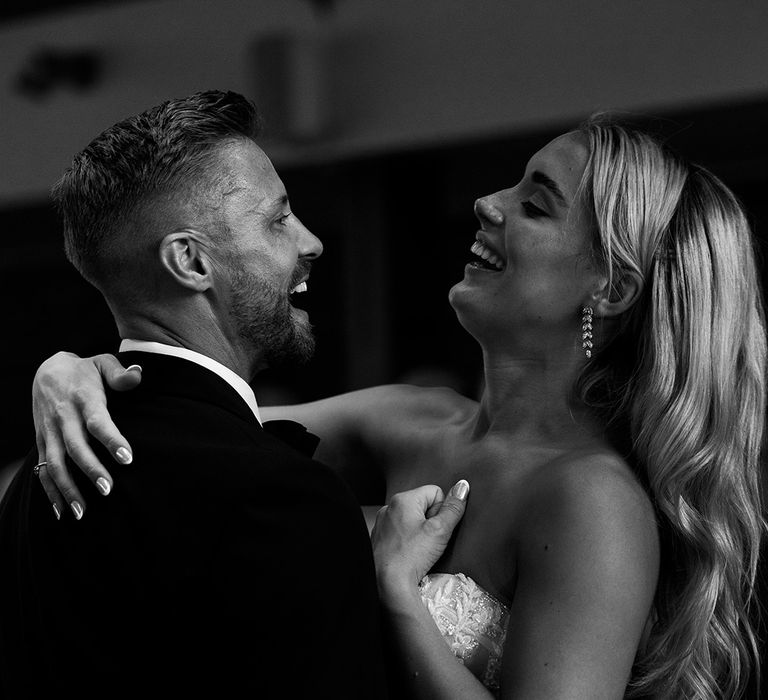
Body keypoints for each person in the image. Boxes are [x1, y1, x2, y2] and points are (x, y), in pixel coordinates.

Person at [30, 116, 766, 699]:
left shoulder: (593, 500)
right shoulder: (408, 419)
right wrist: (69, 372)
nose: (488, 202)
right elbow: (202, 434)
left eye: (535, 204)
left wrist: (397, 593)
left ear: (609, 289)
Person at [0, 90, 397, 699]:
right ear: (190, 261)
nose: (311, 241)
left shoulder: (38, 478)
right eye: (278, 219)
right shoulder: (279, 495)